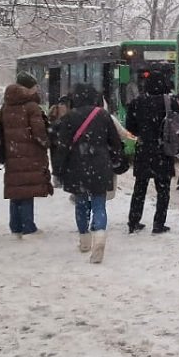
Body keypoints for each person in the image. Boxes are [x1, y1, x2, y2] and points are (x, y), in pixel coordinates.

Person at [51, 83, 124, 263]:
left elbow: (62, 147)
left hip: (77, 166)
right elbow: (115, 143)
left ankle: (84, 239)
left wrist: (58, 170)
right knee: (99, 204)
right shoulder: (104, 116)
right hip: (100, 165)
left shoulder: (69, 118)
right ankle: (99, 235)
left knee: (81, 204)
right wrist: (116, 161)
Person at [123, 72, 179, 235]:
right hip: (163, 151)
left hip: (144, 150)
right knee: (163, 191)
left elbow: (130, 128)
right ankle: (158, 224)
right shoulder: (169, 102)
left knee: (140, 188)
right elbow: (178, 125)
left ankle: (133, 222)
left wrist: (143, 132)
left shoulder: (136, 103)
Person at [1, 73, 52, 237]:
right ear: (27, 88)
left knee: (16, 190)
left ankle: (15, 226)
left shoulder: (7, 105)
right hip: (30, 154)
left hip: (12, 153)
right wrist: (46, 142)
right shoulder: (31, 107)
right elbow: (39, 133)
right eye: (35, 86)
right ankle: (28, 226)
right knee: (27, 191)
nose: (37, 89)